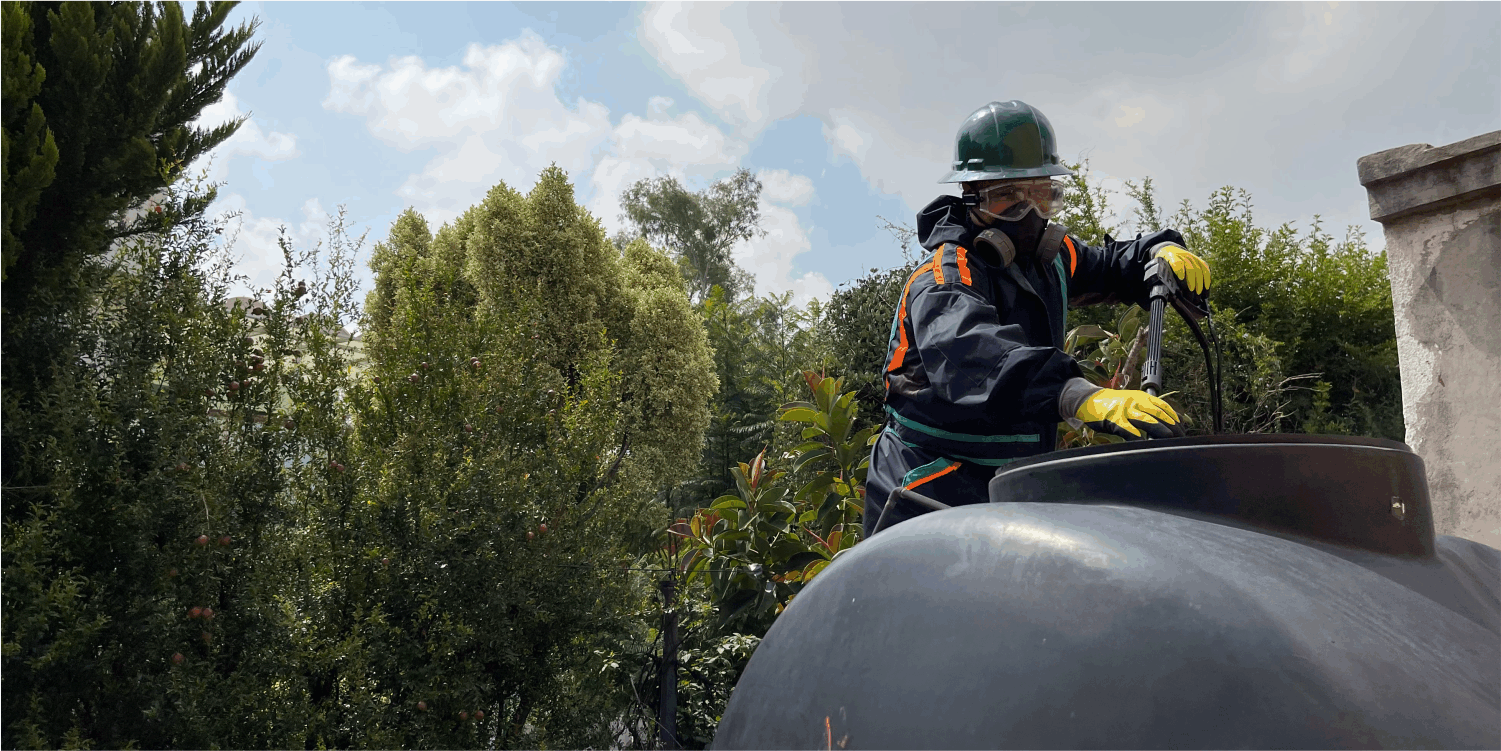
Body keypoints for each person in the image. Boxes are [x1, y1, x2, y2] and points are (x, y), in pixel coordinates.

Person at [865, 100, 1212, 537]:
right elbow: (975, 355)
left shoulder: (1050, 259)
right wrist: (1079, 395)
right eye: (1008, 197)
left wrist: (1157, 254)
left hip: (1012, 482)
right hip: (931, 488)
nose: (1027, 214)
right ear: (973, 198)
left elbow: (1109, 265)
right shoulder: (944, 279)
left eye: (1041, 194)